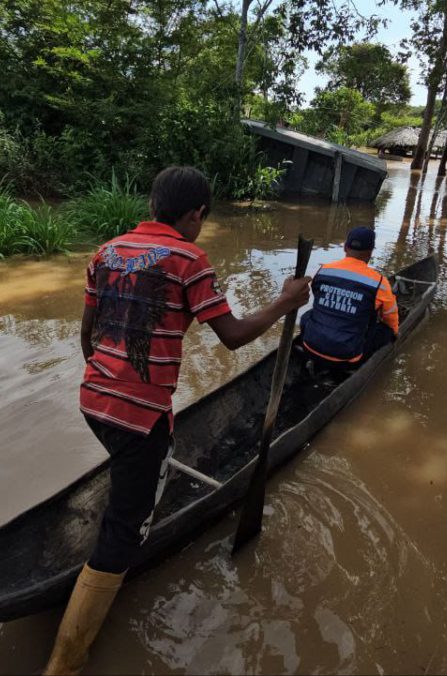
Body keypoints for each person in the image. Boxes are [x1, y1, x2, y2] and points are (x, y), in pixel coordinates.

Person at [45, 166, 311, 675]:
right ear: (196, 214)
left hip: (92, 399)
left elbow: (89, 331)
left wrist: (106, 381)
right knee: (123, 535)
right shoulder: (189, 258)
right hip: (136, 415)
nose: (200, 227)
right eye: (201, 219)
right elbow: (232, 336)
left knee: (150, 449)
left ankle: (139, 490)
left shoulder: (108, 250)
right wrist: (283, 303)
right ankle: (65, 663)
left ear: (151, 205)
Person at [299, 226, 399, 369]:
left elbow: (317, 294)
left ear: (345, 248)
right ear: (370, 252)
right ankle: (351, 369)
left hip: (309, 346)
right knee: (386, 330)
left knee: (309, 314)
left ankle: (313, 358)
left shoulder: (324, 270)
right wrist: (394, 333)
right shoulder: (379, 283)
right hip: (347, 358)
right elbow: (390, 316)